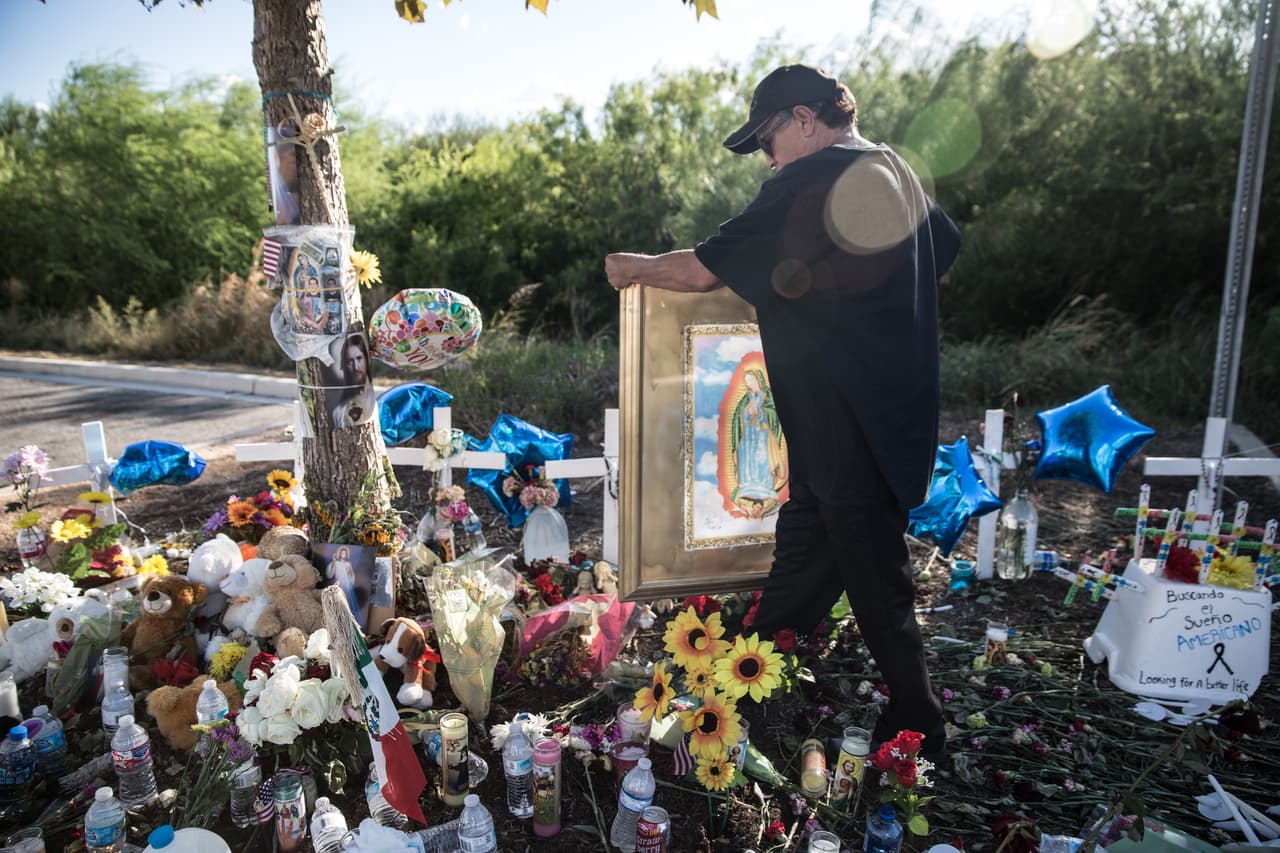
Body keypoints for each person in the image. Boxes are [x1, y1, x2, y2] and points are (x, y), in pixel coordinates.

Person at [604, 64, 960, 758]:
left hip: (845, 422)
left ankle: (923, 728)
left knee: (878, 586)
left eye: (768, 139)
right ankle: (740, 680)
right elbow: (944, 248)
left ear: (805, 119)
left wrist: (633, 268)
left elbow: (702, 269)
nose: (767, 159)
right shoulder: (894, 169)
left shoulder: (809, 178)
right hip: (881, 418)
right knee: (803, 560)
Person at [729, 368, 785, 515]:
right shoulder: (746, 399)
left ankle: (764, 487)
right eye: (747, 381)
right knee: (746, 458)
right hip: (748, 437)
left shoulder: (770, 396)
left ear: (758, 379)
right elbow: (737, 420)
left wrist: (763, 413)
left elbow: (776, 413)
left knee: (762, 459)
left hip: (764, 435)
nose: (750, 383)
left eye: (751, 380)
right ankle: (747, 486)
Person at [330, 334, 375, 428]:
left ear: (367, 359)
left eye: (359, 358)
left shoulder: (372, 403)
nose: (356, 367)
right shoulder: (339, 411)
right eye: (350, 361)